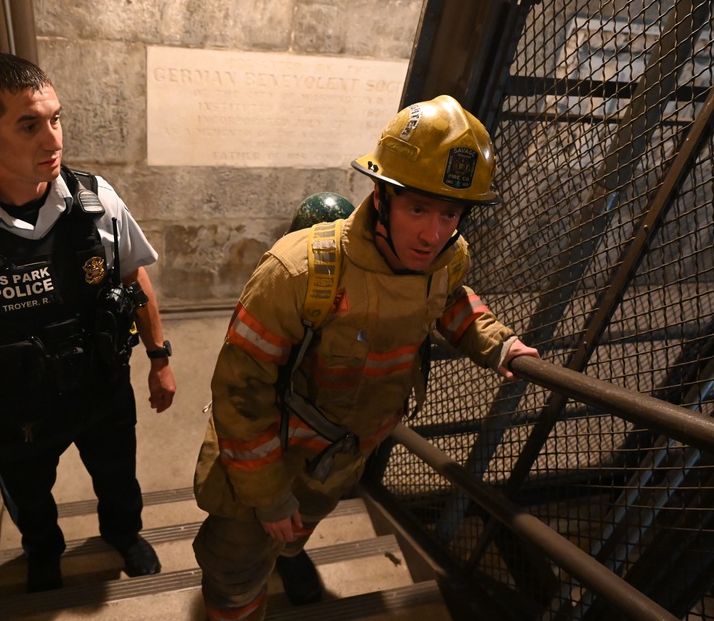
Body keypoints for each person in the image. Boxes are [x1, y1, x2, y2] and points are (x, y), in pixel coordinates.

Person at [192, 94, 539, 620]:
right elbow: (240, 393)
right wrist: (267, 494)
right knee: (234, 577)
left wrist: (499, 344)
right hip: (264, 461)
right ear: (382, 195)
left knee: (292, 538)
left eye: (450, 213)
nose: (432, 233)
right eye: (418, 208)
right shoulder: (298, 272)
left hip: (338, 460)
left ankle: (286, 558)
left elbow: (447, 301)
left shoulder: (448, 257)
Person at [0, 52, 177, 593]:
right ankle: (43, 553)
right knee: (29, 497)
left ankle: (124, 534)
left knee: (118, 478)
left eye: (55, 118)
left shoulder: (97, 202)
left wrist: (160, 359)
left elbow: (134, 278)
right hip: (14, 409)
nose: (53, 140)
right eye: (28, 125)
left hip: (102, 390)